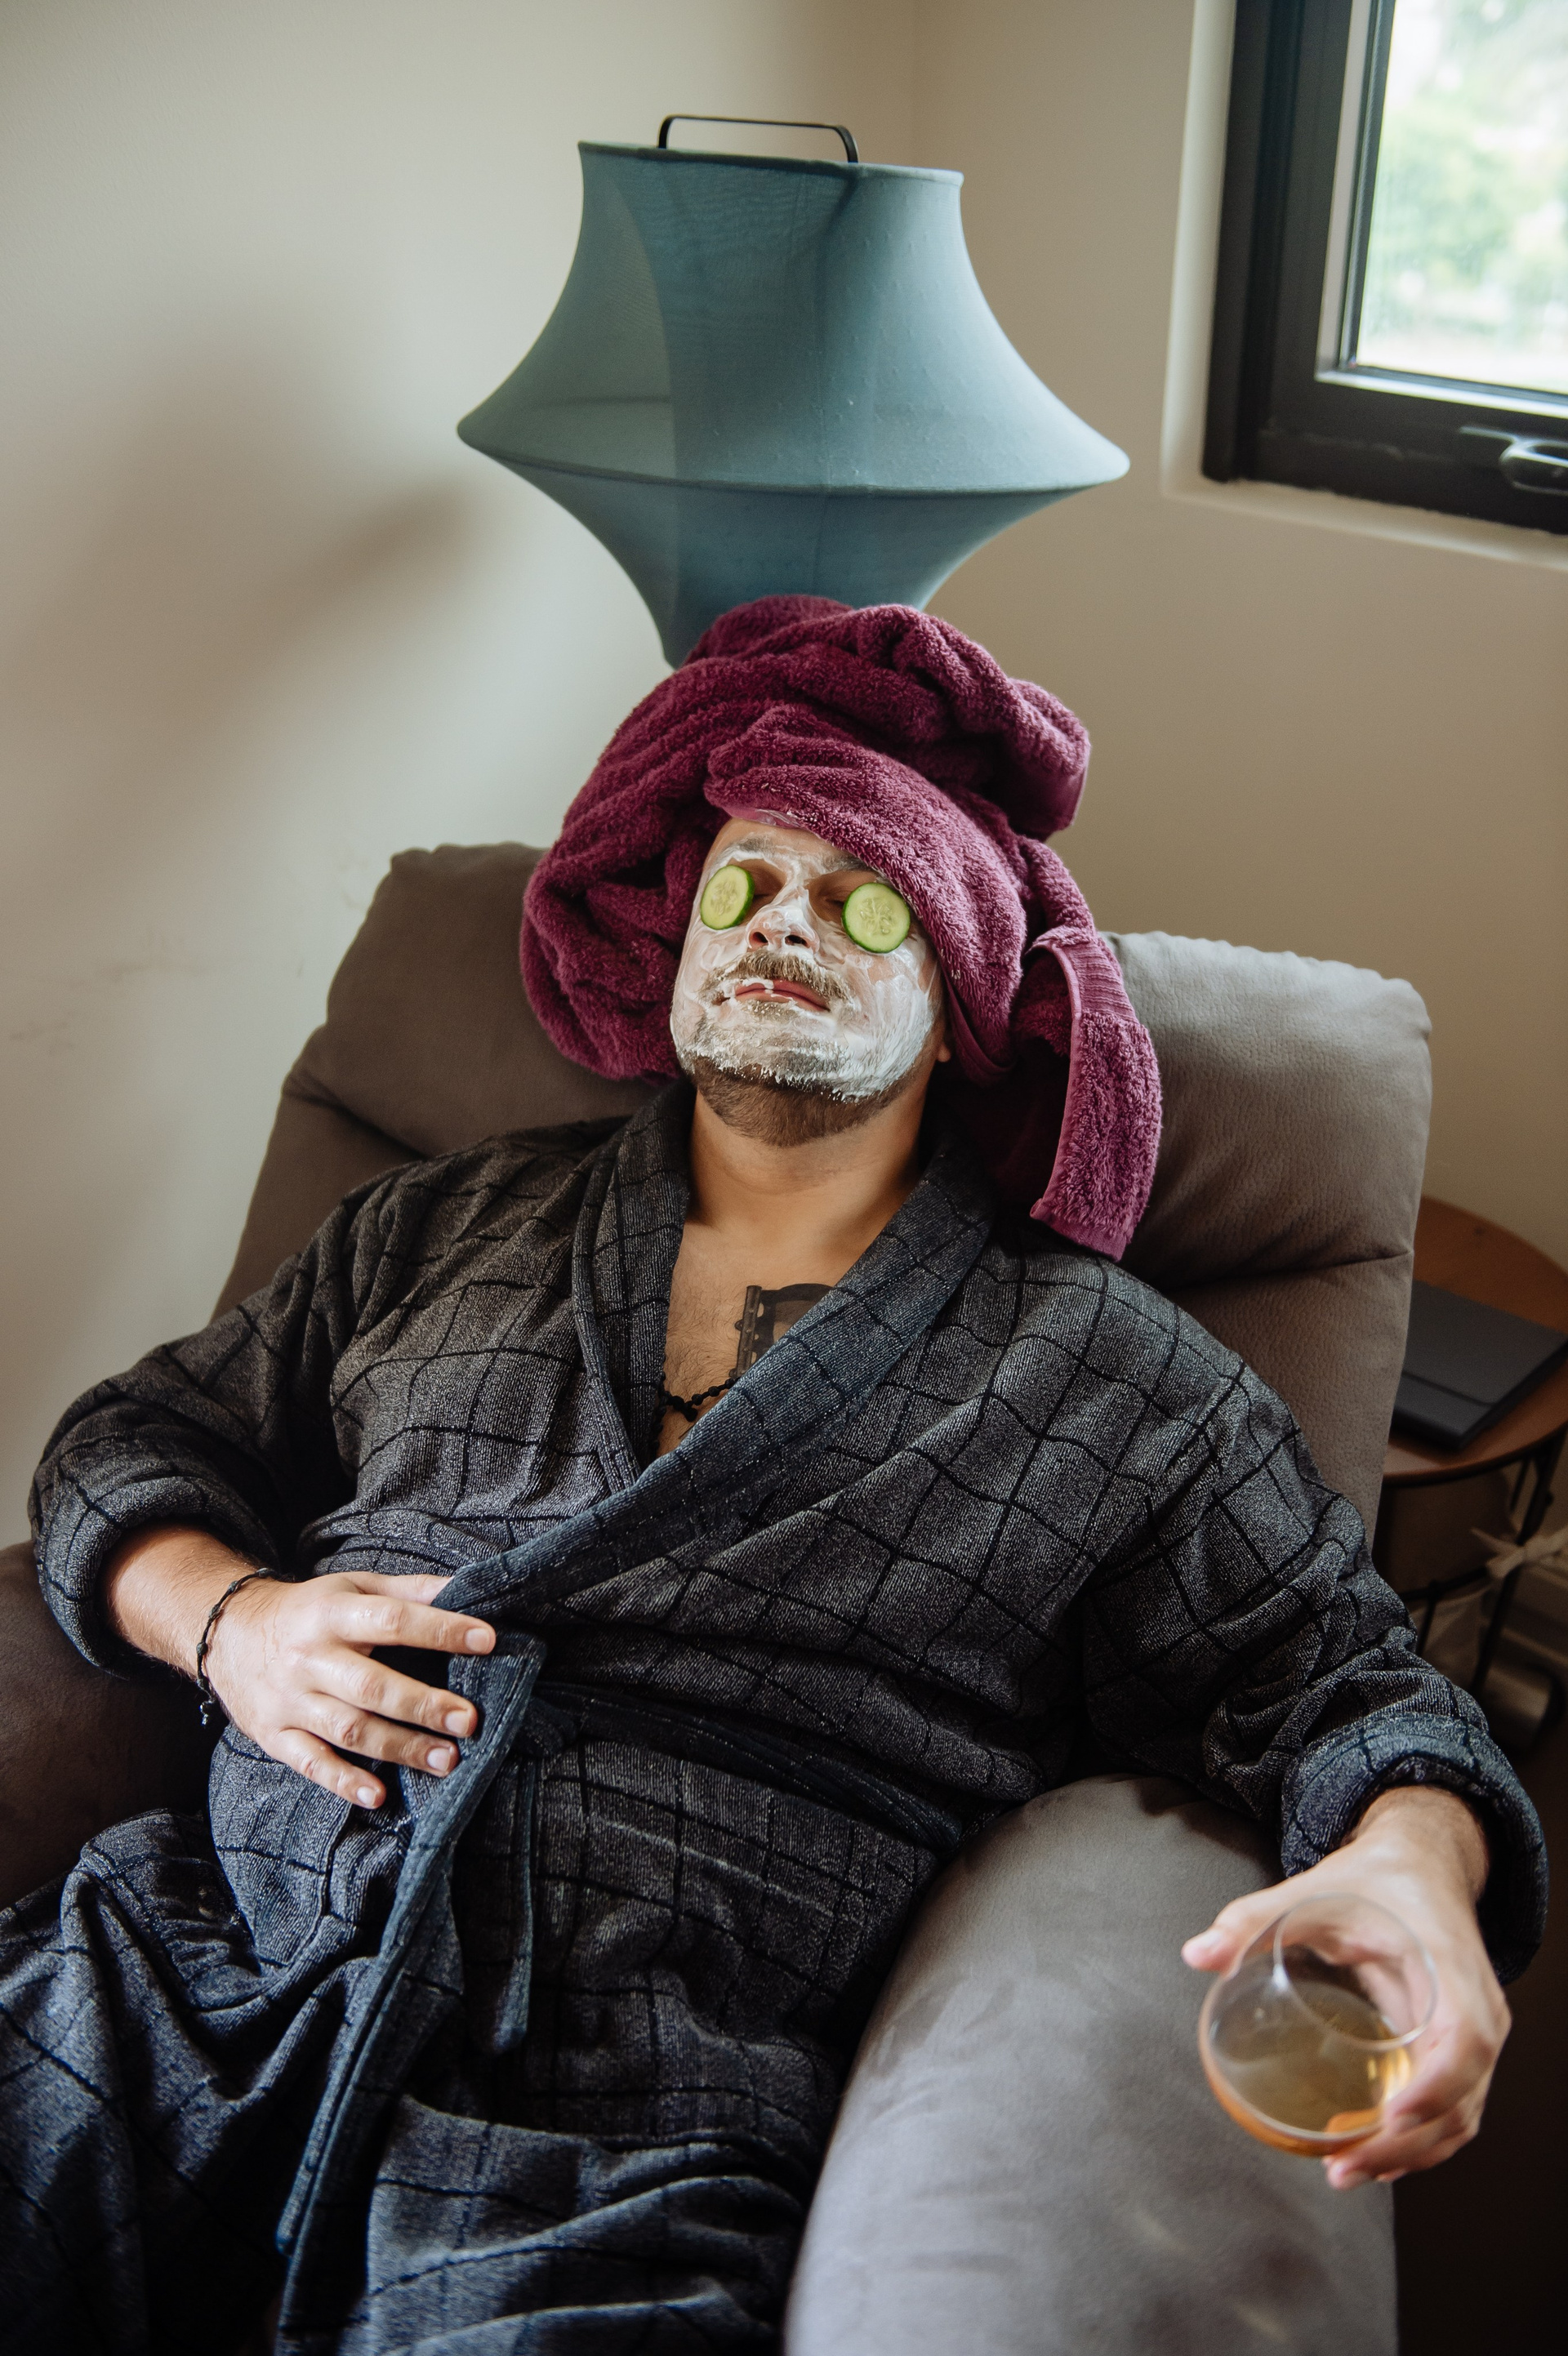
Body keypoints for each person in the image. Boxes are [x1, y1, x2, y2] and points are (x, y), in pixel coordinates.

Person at [5, 599, 1544, 2354]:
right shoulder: (449, 1221)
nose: (783, 923)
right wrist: (234, 1624)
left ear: (960, 1006)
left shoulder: (1107, 1378)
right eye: (742, 886)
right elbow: (134, 1438)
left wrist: (1413, 1870)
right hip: (193, 1985)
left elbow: (1340, 1676)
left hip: (619, 2134)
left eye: (863, 901)